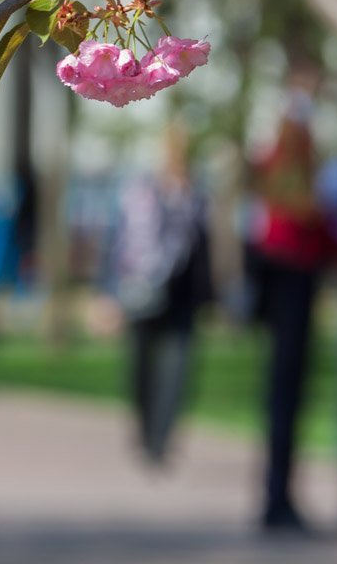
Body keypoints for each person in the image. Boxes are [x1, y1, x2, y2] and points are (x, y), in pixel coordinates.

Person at [250, 80, 337, 533]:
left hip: (288, 295)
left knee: (284, 398)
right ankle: (276, 497)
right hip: (292, 295)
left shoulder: (281, 175)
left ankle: (279, 493)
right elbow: (315, 235)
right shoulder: (291, 182)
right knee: (286, 398)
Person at [107, 124, 213, 465]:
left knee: (177, 370)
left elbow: (204, 247)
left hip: (182, 294)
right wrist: (108, 293)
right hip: (142, 290)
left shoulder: (197, 194)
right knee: (141, 366)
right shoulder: (141, 190)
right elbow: (118, 241)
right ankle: (145, 430)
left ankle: (161, 441)